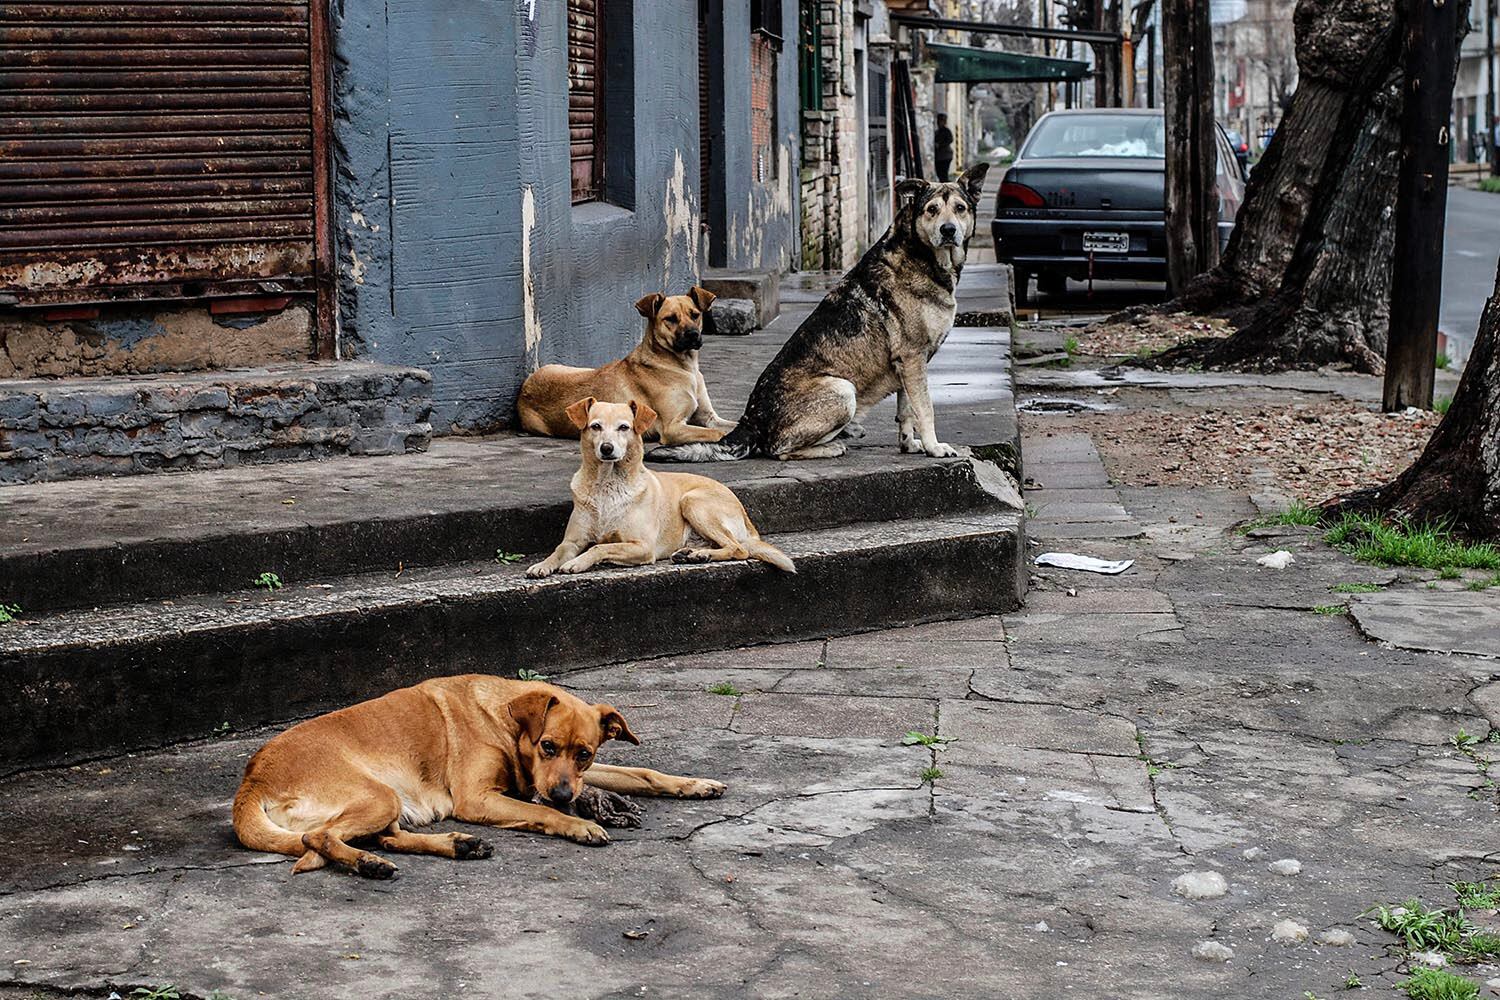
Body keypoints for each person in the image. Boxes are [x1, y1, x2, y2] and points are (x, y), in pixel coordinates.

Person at [933, 113, 954, 183]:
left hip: (945, 156)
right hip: (939, 156)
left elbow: (950, 140)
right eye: (939, 121)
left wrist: (940, 145)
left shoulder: (946, 131)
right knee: (939, 174)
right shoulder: (937, 132)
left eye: (942, 121)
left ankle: (946, 189)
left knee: (943, 175)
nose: (939, 123)